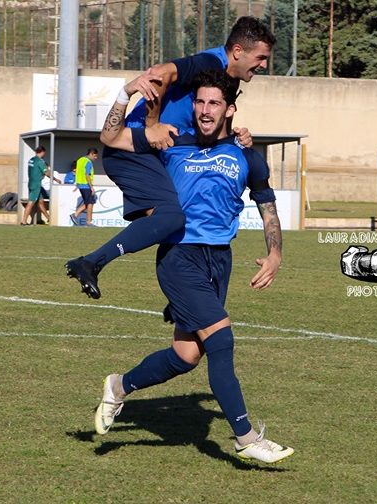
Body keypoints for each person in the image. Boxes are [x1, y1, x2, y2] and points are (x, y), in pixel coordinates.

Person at [92, 69, 292, 464]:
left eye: (214, 102)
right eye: (199, 101)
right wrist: (124, 92)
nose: (204, 110)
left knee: (186, 355)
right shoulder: (171, 142)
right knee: (221, 340)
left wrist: (275, 253)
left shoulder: (248, 156)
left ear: (229, 109)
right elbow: (110, 138)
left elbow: (267, 206)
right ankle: (246, 437)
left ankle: (119, 386)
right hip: (179, 257)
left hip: (219, 261)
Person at [65, 16, 276, 299]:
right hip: (134, 149)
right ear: (238, 51)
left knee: (179, 218)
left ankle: (184, 295)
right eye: (260, 57)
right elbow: (160, 73)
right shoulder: (210, 63)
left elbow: (211, 118)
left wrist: (236, 137)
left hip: (158, 151)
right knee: (171, 217)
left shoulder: (223, 78)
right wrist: (152, 126)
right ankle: (91, 262)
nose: (264, 64)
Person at [21, 146, 53, 225]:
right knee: (31, 202)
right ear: (42, 152)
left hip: (31, 183)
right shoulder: (40, 161)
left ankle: (49, 219)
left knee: (41, 202)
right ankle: (23, 221)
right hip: (36, 185)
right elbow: (46, 173)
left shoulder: (31, 160)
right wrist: (52, 176)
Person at [69, 148, 99, 226]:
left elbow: (78, 173)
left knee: (87, 203)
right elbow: (87, 175)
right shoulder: (88, 162)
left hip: (81, 185)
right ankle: (89, 222)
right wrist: (91, 186)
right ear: (92, 154)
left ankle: (75, 215)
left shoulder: (80, 160)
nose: (96, 158)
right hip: (86, 185)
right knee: (90, 203)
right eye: (95, 156)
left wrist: (77, 185)